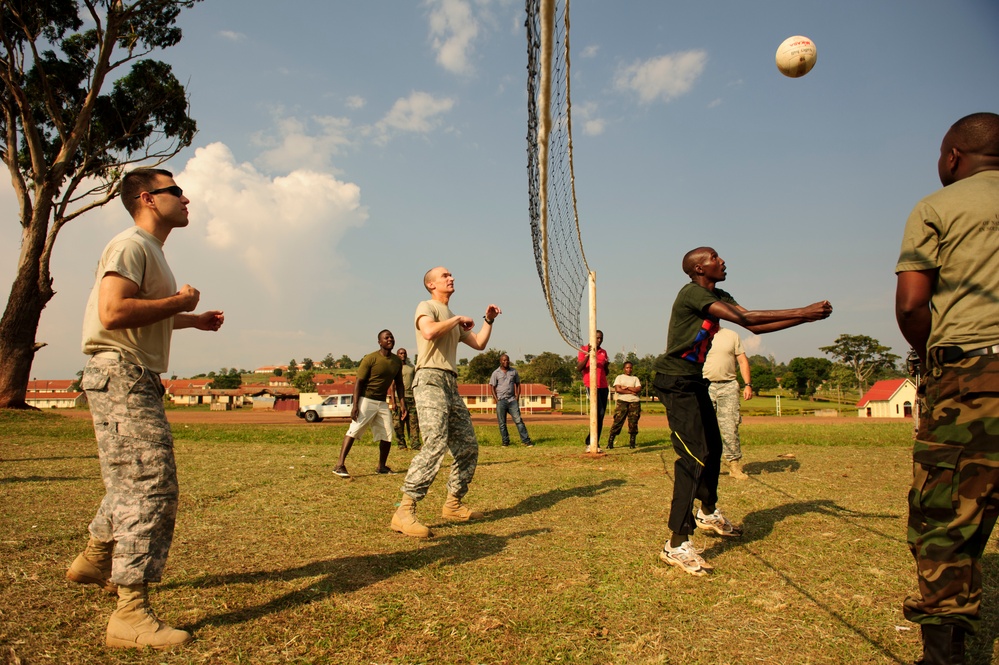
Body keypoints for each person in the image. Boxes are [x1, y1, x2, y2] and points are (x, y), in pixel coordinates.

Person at [67, 168, 224, 649]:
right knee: (150, 482)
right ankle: (129, 614)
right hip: (122, 373)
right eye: (175, 190)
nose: (185, 197)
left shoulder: (149, 251)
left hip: (130, 372)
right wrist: (178, 300)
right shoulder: (131, 245)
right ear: (147, 199)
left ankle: (96, 556)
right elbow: (113, 313)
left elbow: (137, 316)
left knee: (131, 476)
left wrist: (189, 320)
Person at [653, 247, 831, 576]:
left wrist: (803, 318)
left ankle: (707, 512)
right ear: (698, 268)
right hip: (674, 382)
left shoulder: (719, 294)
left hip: (694, 380)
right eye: (715, 258)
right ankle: (676, 544)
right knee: (693, 456)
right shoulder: (692, 293)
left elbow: (756, 327)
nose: (723, 261)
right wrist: (804, 311)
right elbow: (747, 319)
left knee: (714, 447)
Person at [895, 112, 999, 665]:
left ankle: (945, 655)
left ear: (953, 157)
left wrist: (932, 361)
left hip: (974, 377)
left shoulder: (938, 206)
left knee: (946, 519)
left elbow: (912, 304)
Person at [390, 267, 501, 538]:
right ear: (431, 284)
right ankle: (404, 511)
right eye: (444, 276)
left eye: (451, 275)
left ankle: (453, 504)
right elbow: (428, 332)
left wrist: (488, 320)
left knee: (468, 447)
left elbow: (479, 344)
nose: (451, 278)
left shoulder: (452, 317)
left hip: (450, 382)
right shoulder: (426, 306)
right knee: (436, 441)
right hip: (428, 379)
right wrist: (458, 320)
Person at [333, 330, 406, 479]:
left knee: (387, 433)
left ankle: (382, 466)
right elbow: (358, 382)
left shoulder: (396, 361)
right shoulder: (370, 358)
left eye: (391, 337)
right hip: (366, 400)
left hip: (382, 402)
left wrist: (402, 403)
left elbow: (399, 384)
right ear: (380, 342)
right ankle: (339, 465)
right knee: (354, 430)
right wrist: (355, 405)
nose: (390, 339)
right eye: (386, 338)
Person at [702, 327, 753, 480]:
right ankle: (705, 466)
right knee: (703, 428)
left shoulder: (731, 335)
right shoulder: (698, 334)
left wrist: (748, 384)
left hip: (729, 385)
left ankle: (734, 466)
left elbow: (743, 361)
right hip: (705, 386)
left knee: (730, 427)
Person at [489, 353, 534, 447]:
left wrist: (517, 397)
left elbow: (518, 384)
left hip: (512, 400)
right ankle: (505, 442)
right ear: (500, 361)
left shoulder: (514, 371)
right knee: (502, 423)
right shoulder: (495, 373)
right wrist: (496, 400)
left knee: (518, 421)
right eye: (504, 360)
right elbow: (492, 387)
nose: (506, 362)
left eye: (507, 360)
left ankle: (526, 441)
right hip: (501, 401)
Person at [577, 330, 610, 451]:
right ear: (592, 338)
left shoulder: (603, 352)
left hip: (603, 386)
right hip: (591, 385)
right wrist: (588, 355)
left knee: (601, 415)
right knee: (598, 412)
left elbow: (606, 372)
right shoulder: (583, 349)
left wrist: (606, 366)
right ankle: (590, 441)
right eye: (597, 338)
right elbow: (579, 368)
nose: (599, 340)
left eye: (601, 338)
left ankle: (595, 441)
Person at [607, 361, 642, 449]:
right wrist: (631, 391)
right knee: (618, 420)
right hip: (622, 401)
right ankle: (610, 442)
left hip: (634, 402)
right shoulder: (619, 377)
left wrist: (626, 387)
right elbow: (618, 390)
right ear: (624, 368)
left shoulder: (635, 378)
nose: (629, 369)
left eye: (630, 368)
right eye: (627, 367)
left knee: (633, 422)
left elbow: (638, 389)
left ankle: (632, 442)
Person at [391, 347, 421, 450]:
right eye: (400, 353)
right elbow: (392, 386)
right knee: (398, 424)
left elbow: (416, 383)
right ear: (397, 355)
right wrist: (393, 402)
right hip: (398, 399)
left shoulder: (412, 368)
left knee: (413, 423)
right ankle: (401, 445)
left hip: (411, 398)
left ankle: (415, 444)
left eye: (404, 353)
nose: (403, 355)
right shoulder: (395, 368)